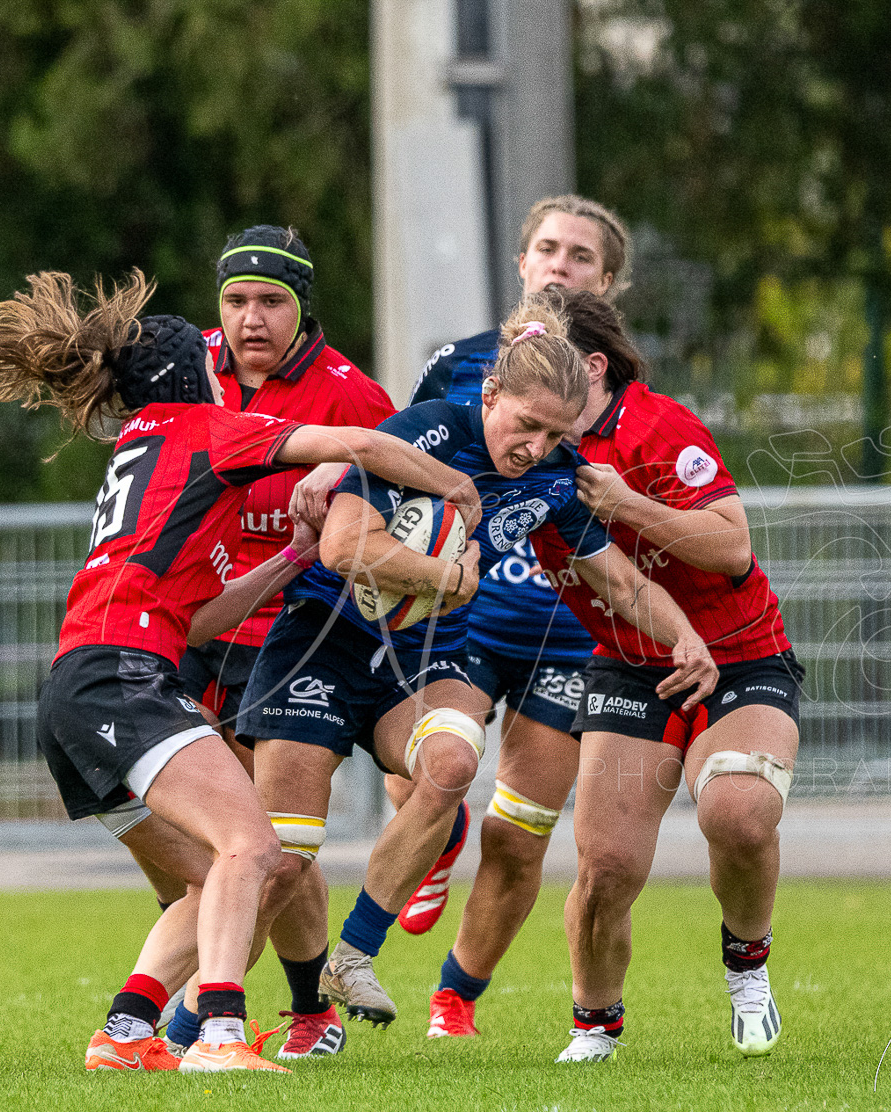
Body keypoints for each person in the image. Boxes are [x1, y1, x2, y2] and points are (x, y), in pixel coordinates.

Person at [0, 269, 480, 1073]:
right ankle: (222, 1037)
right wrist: (456, 487)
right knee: (253, 846)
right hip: (124, 677)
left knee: (214, 879)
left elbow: (198, 620)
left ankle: (125, 1033)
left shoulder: (141, 447)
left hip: (80, 686)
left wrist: (294, 558)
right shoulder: (201, 425)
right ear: (190, 376)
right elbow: (365, 445)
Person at [236, 295, 718, 1029]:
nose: (535, 447)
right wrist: (444, 575)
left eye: (555, 433)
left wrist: (684, 635)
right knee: (281, 860)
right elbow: (341, 546)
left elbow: (619, 582)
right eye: (526, 425)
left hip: (421, 653)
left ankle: (354, 956)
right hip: (324, 640)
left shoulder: (556, 477)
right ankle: (189, 1022)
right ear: (490, 394)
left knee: (453, 764)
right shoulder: (430, 430)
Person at [529, 286, 801, 1063]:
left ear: (590, 367)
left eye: (541, 356)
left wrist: (625, 504)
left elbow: (732, 547)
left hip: (741, 652)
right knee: (606, 865)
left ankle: (748, 965)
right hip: (630, 661)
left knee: (738, 812)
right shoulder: (523, 448)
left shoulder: (656, 426)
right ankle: (595, 1024)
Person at [145, 226, 396, 1063]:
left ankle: (235, 1014)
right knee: (210, 844)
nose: (251, 318)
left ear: (302, 307)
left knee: (265, 845)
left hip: (286, 637)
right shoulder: (187, 369)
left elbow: (398, 487)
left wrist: (348, 474)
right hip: (194, 624)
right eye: (236, 300)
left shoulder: (351, 396)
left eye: (271, 301)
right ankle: (276, 998)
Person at [399, 196, 634, 1039]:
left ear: (608, 282)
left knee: (520, 835)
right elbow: (398, 465)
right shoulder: (458, 365)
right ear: (522, 263)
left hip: (566, 638)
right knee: (426, 770)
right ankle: (435, 839)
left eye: (582, 255)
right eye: (548, 248)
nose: (561, 264)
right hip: (462, 614)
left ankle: (455, 997)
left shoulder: (626, 392)